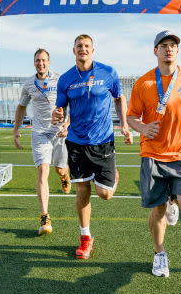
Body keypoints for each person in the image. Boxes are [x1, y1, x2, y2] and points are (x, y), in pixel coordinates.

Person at [126, 30, 181, 278]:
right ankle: (160, 254)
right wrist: (142, 127)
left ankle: (175, 199)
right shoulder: (144, 83)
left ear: (177, 50)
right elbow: (130, 117)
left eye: (172, 45)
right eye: (163, 45)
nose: (169, 48)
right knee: (157, 210)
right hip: (153, 154)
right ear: (155, 51)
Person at [51, 34, 133, 260]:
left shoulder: (108, 72)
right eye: (79, 46)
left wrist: (124, 124)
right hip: (76, 142)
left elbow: (119, 98)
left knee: (105, 194)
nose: (83, 49)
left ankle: (111, 177)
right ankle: (85, 237)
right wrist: (57, 115)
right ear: (73, 50)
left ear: (93, 50)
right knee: (82, 190)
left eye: (86, 46)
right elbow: (59, 109)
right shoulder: (66, 79)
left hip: (103, 140)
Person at [13, 48, 71, 235]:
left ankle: (64, 176)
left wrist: (67, 125)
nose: (41, 63)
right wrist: (16, 130)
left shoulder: (60, 79)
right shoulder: (29, 84)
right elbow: (21, 107)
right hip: (40, 133)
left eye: (44, 60)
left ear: (49, 62)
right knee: (43, 170)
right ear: (34, 63)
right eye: (38, 60)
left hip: (59, 132)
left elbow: (73, 104)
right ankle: (45, 216)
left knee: (59, 169)